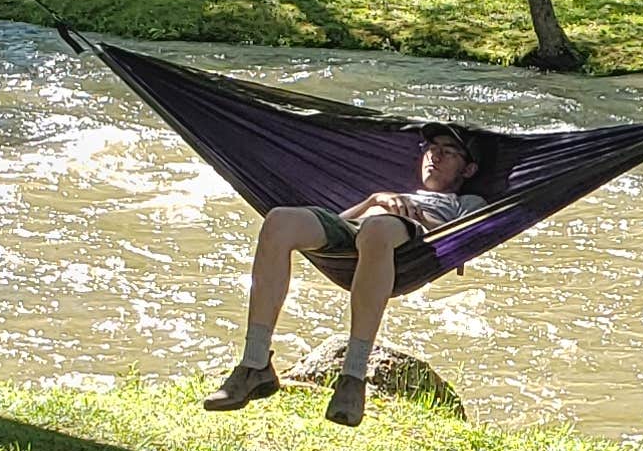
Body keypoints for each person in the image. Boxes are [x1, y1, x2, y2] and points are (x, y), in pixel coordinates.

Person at [205, 124, 492, 427]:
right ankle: (254, 363)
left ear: (468, 169)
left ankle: (353, 376)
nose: (435, 156)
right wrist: (375, 200)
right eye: (431, 149)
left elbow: (464, 239)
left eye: (448, 152)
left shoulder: (468, 203)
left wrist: (418, 217)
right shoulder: (398, 194)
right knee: (279, 221)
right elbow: (340, 221)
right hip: (357, 230)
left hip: (409, 238)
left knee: (376, 229)